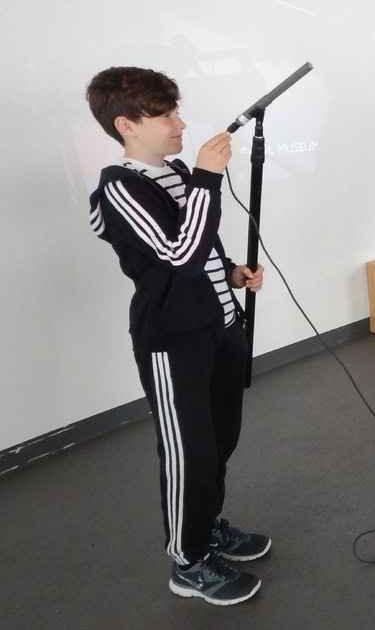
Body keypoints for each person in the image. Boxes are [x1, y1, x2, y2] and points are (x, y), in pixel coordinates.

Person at [86, 67, 270, 606]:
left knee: (219, 439)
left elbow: (203, 247)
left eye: (175, 110)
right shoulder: (119, 185)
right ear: (126, 125)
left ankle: (207, 528)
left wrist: (232, 271)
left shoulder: (176, 172)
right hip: (173, 341)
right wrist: (209, 178)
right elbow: (178, 255)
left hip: (220, 327)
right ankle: (186, 562)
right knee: (187, 451)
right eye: (165, 114)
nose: (180, 123)